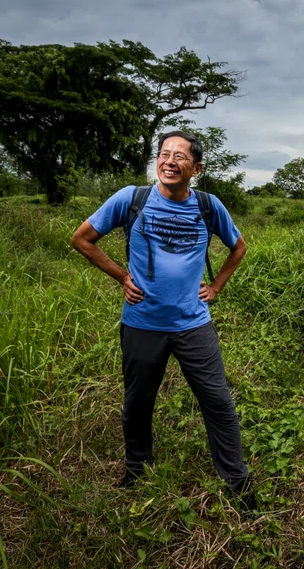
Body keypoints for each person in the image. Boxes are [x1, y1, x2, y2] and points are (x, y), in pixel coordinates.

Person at [70, 130, 252, 507]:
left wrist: (216, 287)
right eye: (164, 154)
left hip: (193, 324)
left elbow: (238, 247)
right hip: (142, 322)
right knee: (138, 402)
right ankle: (137, 469)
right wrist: (122, 277)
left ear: (196, 168)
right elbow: (82, 239)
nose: (169, 161)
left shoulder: (208, 206)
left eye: (180, 156)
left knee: (218, 402)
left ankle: (237, 482)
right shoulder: (131, 199)